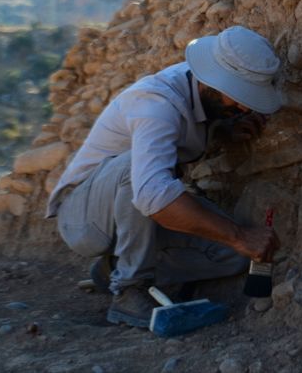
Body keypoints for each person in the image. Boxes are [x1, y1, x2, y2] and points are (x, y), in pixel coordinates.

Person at [46, 25, 284, 327]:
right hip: (85, 218)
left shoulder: (202, 97)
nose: (242, 106)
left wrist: (223, 129)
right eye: (236, 97)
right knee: (140, 175)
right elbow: (151, 193)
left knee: (231, 255)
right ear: (210, 82)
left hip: (134, 215)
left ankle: (112, 270)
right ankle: (129, 290)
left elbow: (190, 128)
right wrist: (240, 236)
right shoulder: (156, 103)